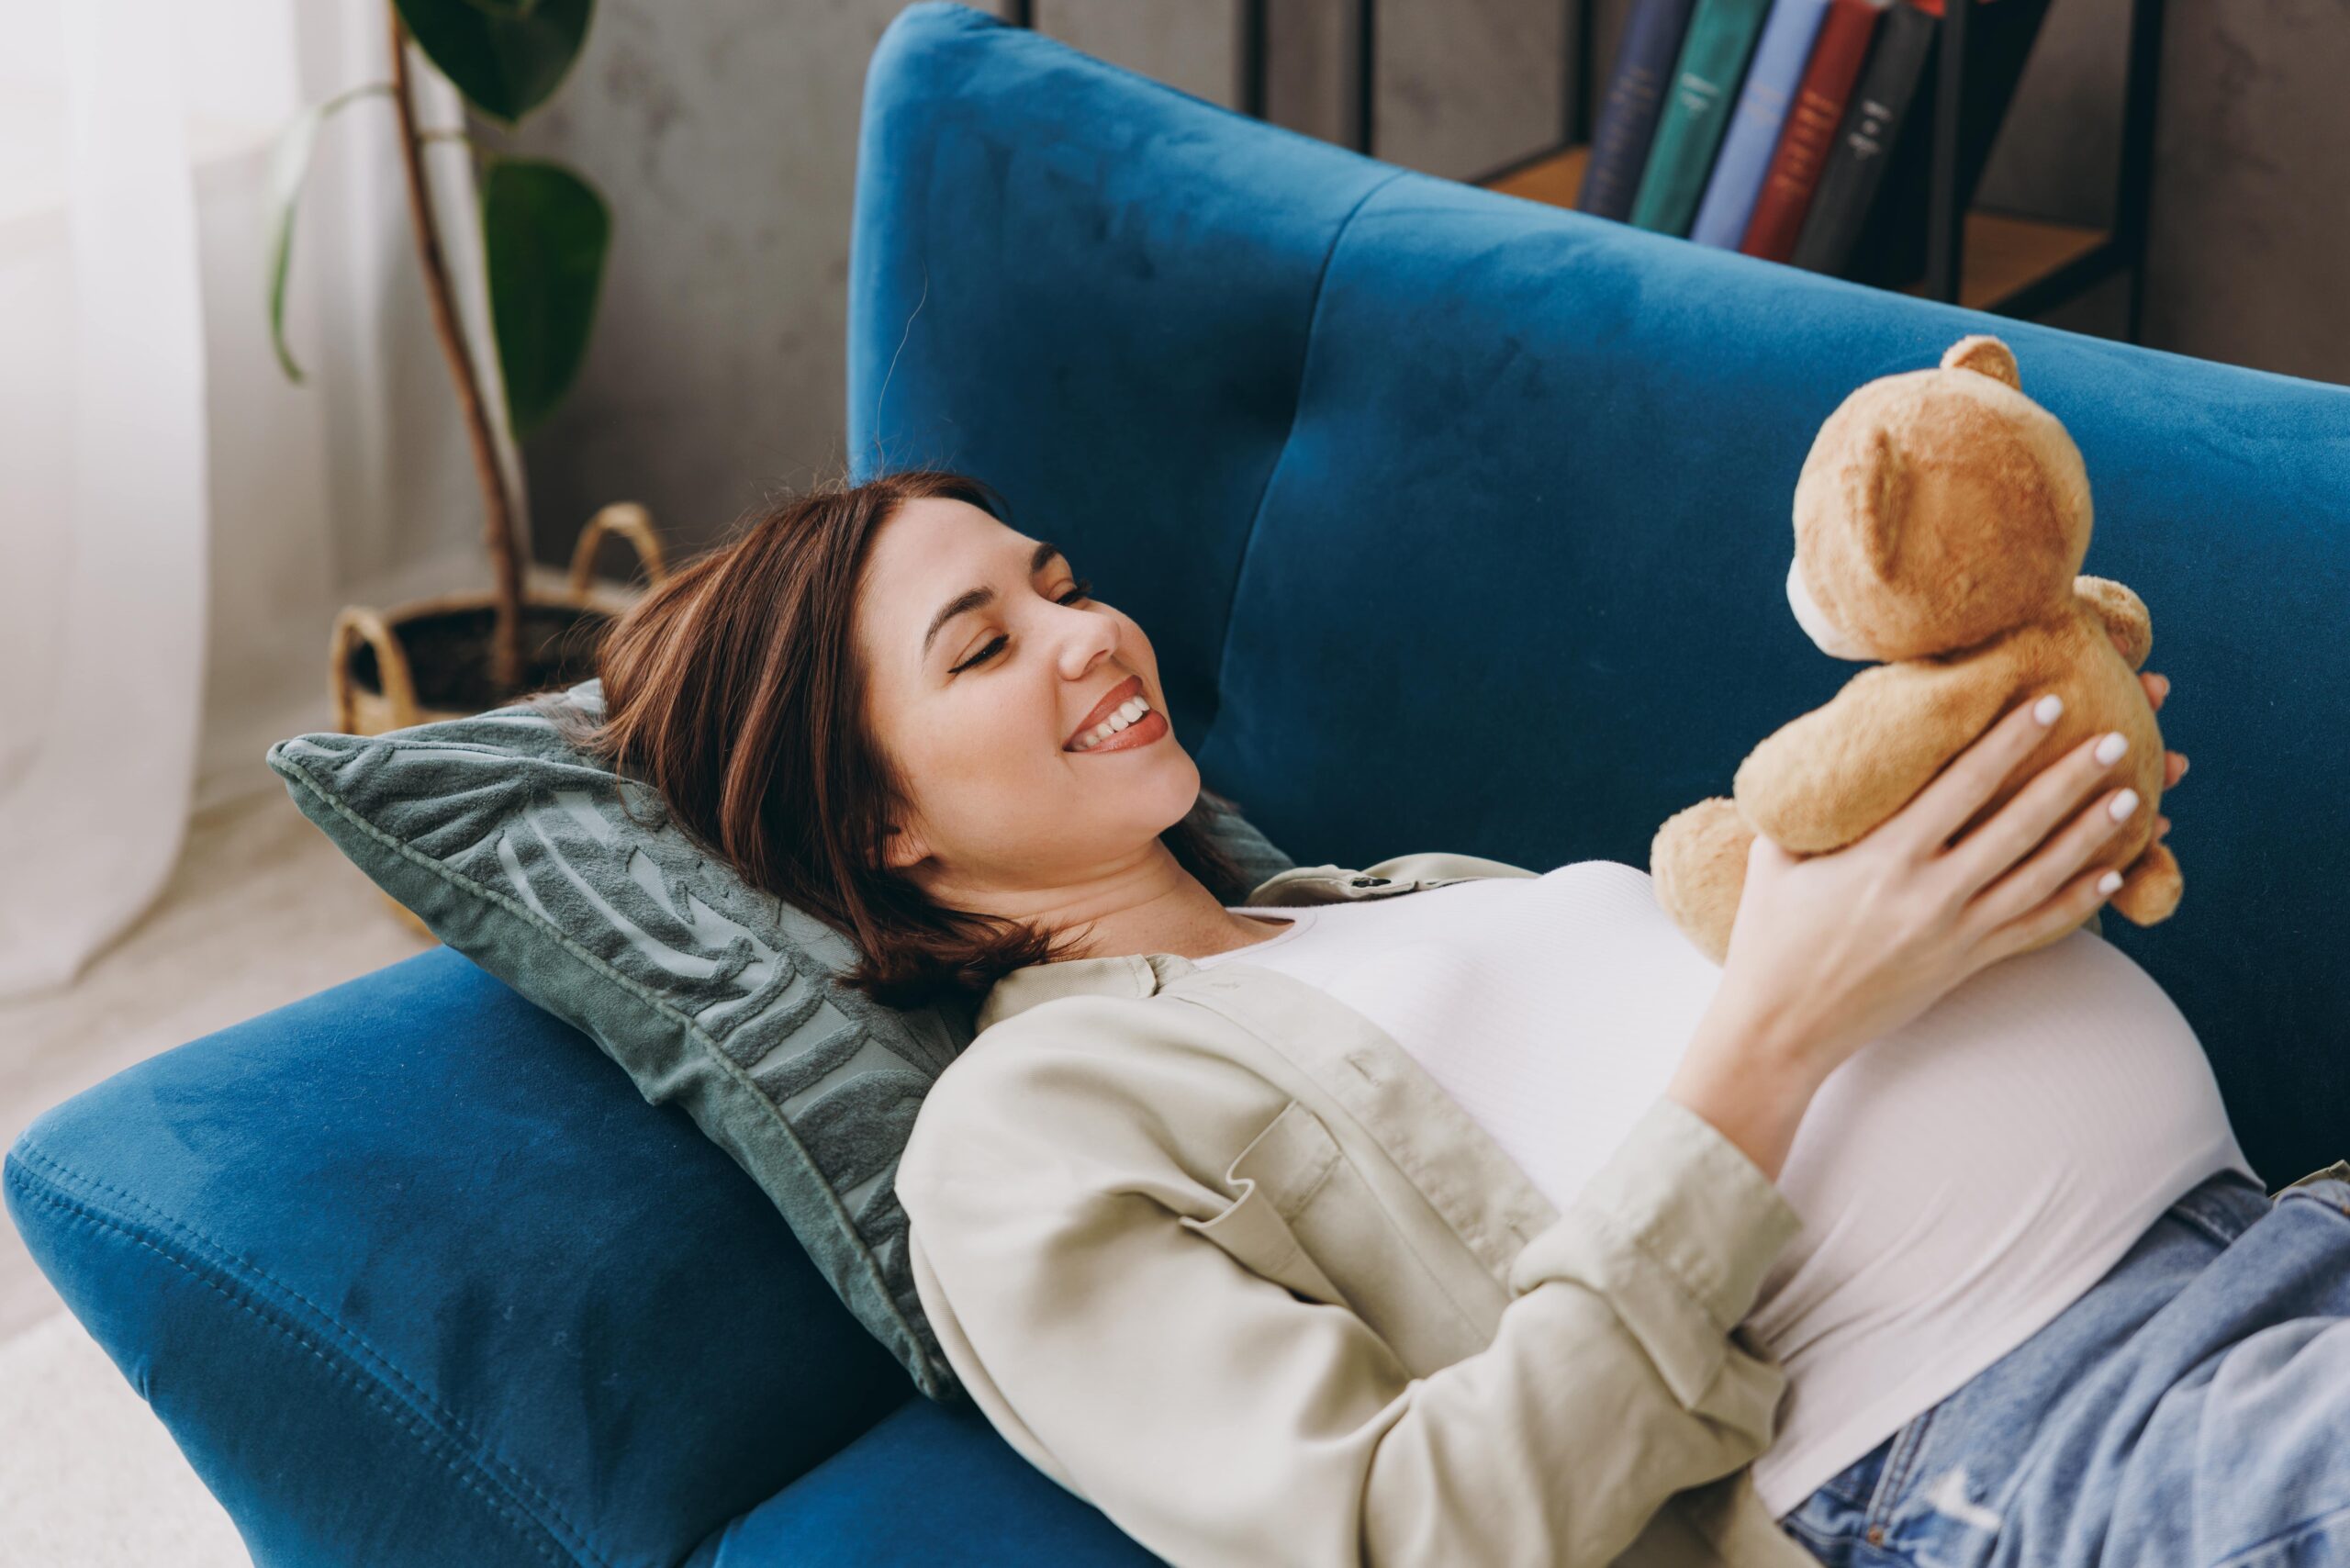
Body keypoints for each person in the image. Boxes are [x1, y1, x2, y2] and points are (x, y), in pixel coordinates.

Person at [557, 469, 2350, 1567]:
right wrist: (1784, 1026)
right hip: (2043, 1441)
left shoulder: (1402, 888)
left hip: (2270, 1239)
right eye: (980, 646)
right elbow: (1398, 1530)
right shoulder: (1022, 1131)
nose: (1084, 630)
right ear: (882, 825)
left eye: (1056, 582)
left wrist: (2013, 816)